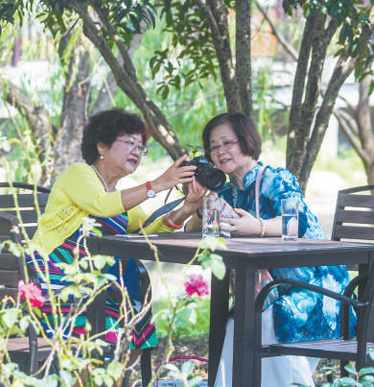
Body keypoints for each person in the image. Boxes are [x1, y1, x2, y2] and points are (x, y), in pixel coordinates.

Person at [28, 108, 204, 386]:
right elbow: (101, 205)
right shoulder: (79, 173)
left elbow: (148, 231)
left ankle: (112, 377)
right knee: (119, 311)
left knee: (132, 312)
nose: (137, 150)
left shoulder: (122, 195)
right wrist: (159, 184)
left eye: (140, 146)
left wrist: (188, 208)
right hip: (58, 283)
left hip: (98, 287)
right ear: (101, 146)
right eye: (129, 142)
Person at [189, 112, 355, 387]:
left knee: (266, 321)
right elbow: (193, 232)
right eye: (213, 147)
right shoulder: (229, 192)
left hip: (318, 289)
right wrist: (199, 202)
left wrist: (259, 227)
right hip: (270, 292)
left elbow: (296, 223)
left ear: (247, 141)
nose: (220, 151)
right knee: (234, 326)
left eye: (227, 142)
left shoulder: (275, 179)